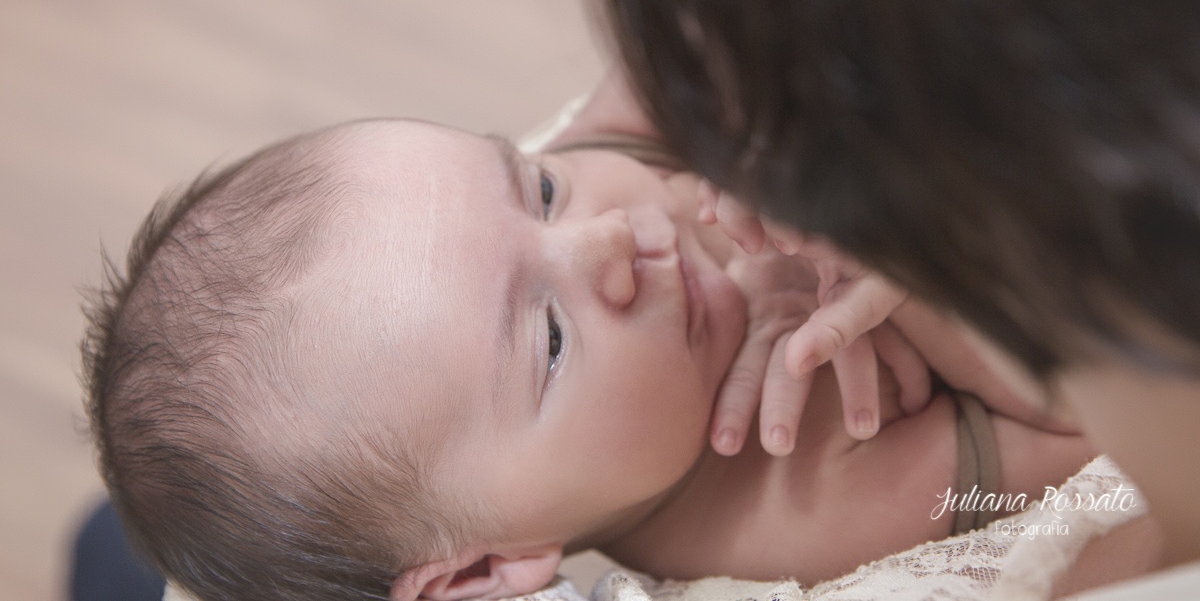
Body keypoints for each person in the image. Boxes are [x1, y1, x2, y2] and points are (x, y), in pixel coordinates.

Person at [552, 0, 1200, 591]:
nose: (604, 237)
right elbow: (1089, 476)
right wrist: (932, 275)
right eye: (545, 340)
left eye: (538, 190)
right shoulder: (793, 520)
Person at [81, 107, 1094, 601]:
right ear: (486, 567)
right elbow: (1098, 456)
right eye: (552, 338)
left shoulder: (613, 182)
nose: (619, 241)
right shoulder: (803, 502)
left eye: (537, 187)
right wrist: (894, 260)